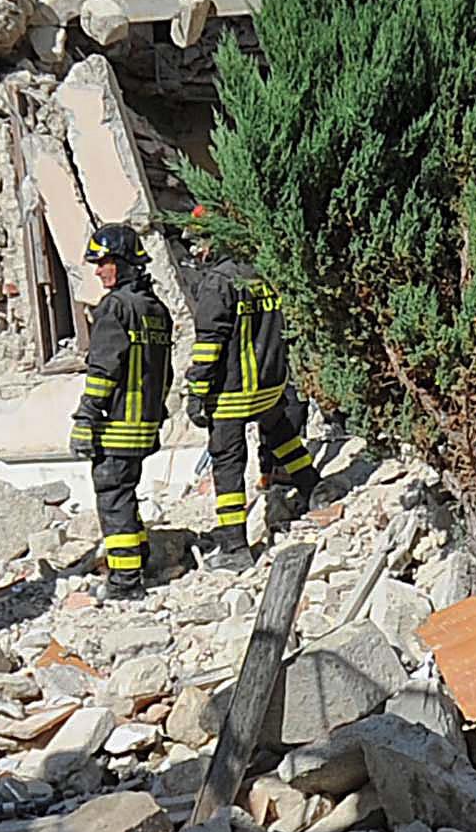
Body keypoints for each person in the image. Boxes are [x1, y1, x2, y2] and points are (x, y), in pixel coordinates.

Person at [182, 210, 317, 569]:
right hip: (269, 387)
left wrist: (198, 391)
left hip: (232, 392)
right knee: (283, 436)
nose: (197, 250)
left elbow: (209, 346)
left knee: (227, 465)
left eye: (200, 240)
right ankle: (313, 489)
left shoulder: (218, 283)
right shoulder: (263, 273)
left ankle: (234, 548)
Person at [71, 224, 172, 601]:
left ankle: (126, 581)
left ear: (125, 262)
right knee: (126, 494)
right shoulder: (156, 309)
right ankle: (142, 556)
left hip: (115, 426)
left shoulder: (115, 307)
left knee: (113, 499)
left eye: (104, 261)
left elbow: (103, 370)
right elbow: (167, 372)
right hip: (144, 425)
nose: (98, 270)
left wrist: (86, 417)